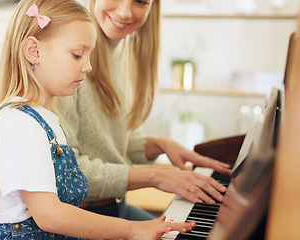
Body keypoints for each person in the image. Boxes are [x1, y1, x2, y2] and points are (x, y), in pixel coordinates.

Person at [0, 0, 196, 239]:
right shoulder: (19, 125)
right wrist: (132, 229)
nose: (89, 66)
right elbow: (50, 215)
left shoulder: (46, 120)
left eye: (89, 55)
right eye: (77, 55)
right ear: (34, 51)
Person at [56, 0, 232, 220]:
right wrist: (155, 176)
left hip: (116, 206)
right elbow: (65, 174)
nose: (125, 11)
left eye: (140, 1)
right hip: (80, 216)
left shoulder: (125, 56)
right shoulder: (68, 64)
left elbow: (117, 141)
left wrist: (159, 145)